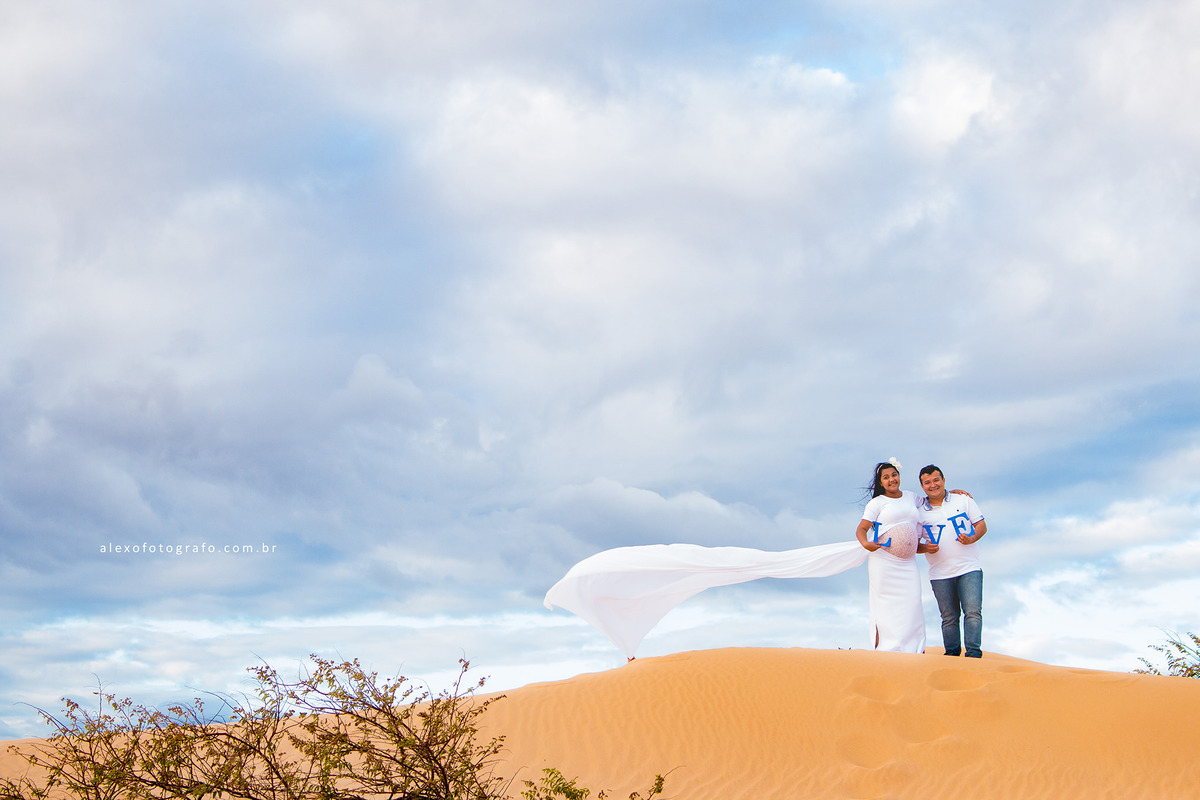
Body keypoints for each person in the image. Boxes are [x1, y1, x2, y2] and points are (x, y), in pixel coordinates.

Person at [854, 460, 939, 653]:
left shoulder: (911, 497)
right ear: (881, 483)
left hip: (908, 563)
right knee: (885, 604)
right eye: (886, 477)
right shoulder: (877, 503)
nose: (891, 479)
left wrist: (954, 494)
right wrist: (866, 544)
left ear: (899, 475)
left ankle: (913, 648)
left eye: (894, 475)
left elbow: (933, 499)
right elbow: (862, 529)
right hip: (884, 561)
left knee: (912, 603)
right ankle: (886, 648)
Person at [917, 464, 987, 658]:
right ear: (922, 486)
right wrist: (926, 548)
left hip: (969, 567)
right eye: (927, 482)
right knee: (948, 617)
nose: (933, 485)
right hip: (940, 573)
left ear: (944, 480)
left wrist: (972, 538)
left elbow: (981, 525)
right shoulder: (919, 511)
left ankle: (973, 654)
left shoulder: (963, 500)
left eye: (936, 480)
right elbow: (914, 544)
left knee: (973, 612)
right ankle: (951, 656)